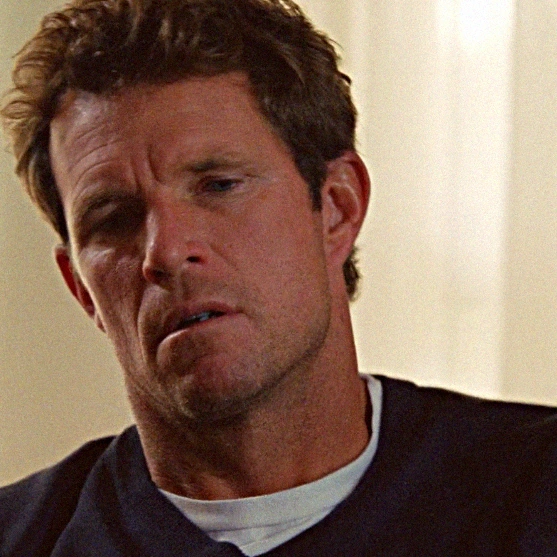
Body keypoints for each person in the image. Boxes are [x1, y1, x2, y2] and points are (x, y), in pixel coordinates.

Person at [0, 0, 555, 555]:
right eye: (114, 219)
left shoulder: (533, 494)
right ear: (81, 288)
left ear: (336, 208)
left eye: (219, 186)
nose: (165, 251)